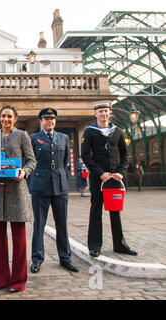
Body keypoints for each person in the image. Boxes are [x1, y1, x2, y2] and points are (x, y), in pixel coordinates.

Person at [0, 105, 36, 293]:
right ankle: (0, 280)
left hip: (17, 191)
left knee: (19, 240)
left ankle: (18, 281)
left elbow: (32, 160)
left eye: (9, 116)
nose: (5, 119)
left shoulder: (22, 136)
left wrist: (24, 172)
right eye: (3, 116)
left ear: (15, 118)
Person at [81, 101, 137, 257]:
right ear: (95, 114)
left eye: (106, 111)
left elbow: (125, 154)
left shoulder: (117, 131)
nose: (103, 114)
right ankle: (94, 246)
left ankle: (120, 245)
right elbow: (85, 155)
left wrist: (120, 172)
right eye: (100, 111)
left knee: (115, 211)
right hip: (98, 178)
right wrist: (100, 173)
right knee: (96, 210)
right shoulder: (89, 132)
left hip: (114, 178)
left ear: (109, 113)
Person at [29, 107, 79, 274]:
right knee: (39, 225)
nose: (49, 121)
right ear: (41, 121)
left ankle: (65, 258)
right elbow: (29, 161)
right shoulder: (34, 138)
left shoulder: (63, 138)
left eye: (52, 119)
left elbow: (65, 163)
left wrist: (61, 175)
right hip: (40, 186)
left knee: (62, 225)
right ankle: (37, 259)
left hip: (60, 186)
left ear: (55, 121)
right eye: (46, 119)